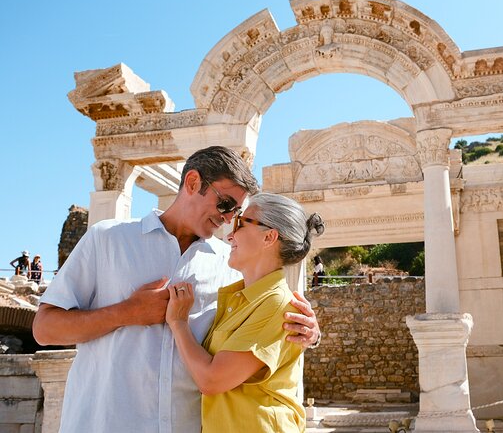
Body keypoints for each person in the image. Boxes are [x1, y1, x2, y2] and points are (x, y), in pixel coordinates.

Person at [32, 146, 321, 432]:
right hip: (104, 423)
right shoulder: (108, 239)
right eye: (225, 204)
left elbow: (267, 319)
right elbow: (44, 329)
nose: (227, 218)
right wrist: (126, 312)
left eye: (236, 212)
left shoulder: (231, 264)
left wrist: (309, 331)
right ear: (193, 182)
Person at [166, 193, 325, 432]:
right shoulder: (241, 298)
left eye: (240, 222)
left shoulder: (276, 305)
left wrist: (178, 323)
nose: (230, 234)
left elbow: (211, 379)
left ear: (269, 236)